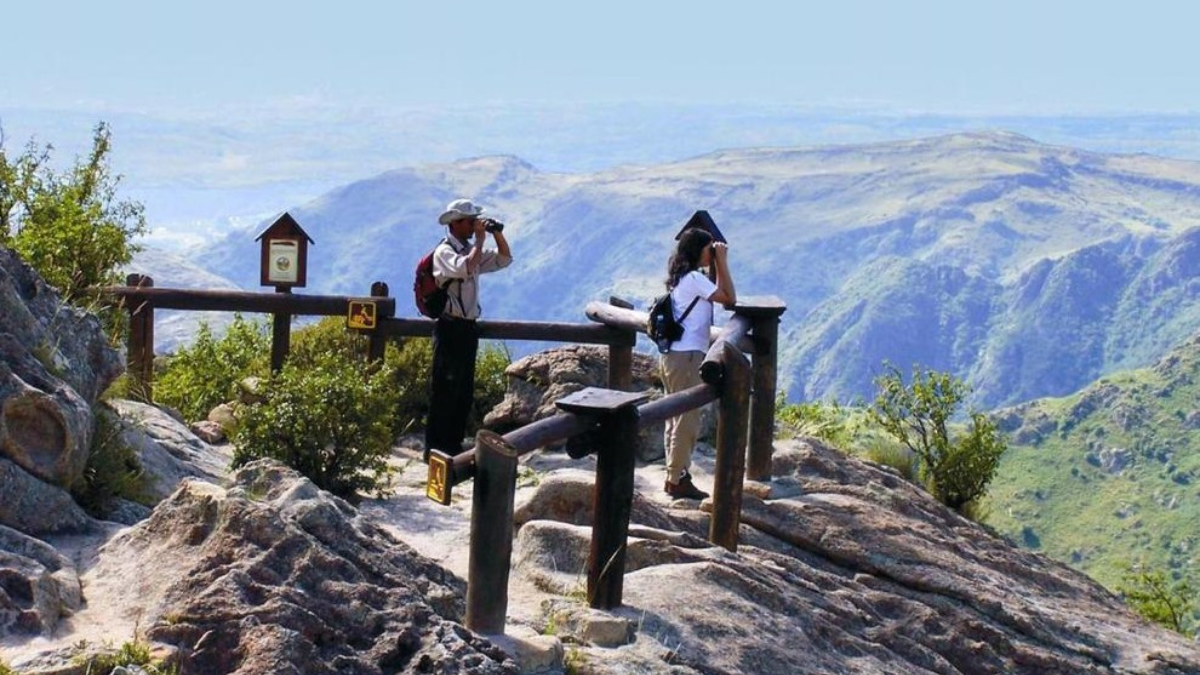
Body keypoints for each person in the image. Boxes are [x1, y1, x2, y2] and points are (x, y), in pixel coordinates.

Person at [425, 198, 513, 458]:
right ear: (457, 223)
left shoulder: (468, 248)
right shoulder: (445, 252)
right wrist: (481, 240)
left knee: (462, 389)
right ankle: (435, 449)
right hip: (449, 327)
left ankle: (453, 445)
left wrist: (497, 234)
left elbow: (505, 259)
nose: (475, 225)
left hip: (466, 328)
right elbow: (466, 267)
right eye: (471, 221)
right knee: (444, 390)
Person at [661, 227, 736, 499]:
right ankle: (676, 478)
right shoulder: (694, 278)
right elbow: (730, 298)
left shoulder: (681, 277)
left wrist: (715, 261)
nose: (711, 254)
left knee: (673, 417)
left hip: (673, 356)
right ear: (699, 251)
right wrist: (722, 262)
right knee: (686, 419)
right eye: (708, 250)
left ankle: (675, 474)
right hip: (688, 356)